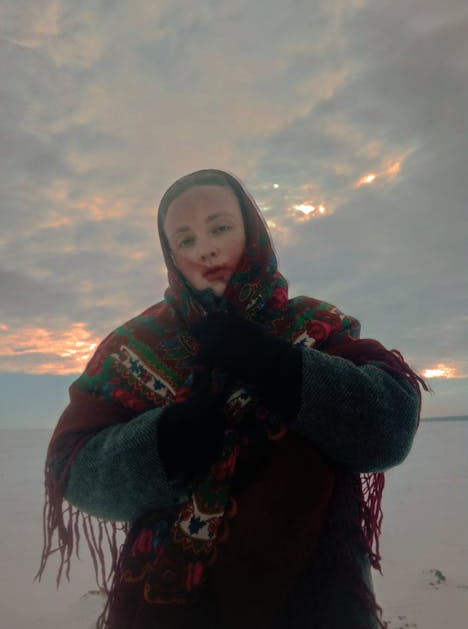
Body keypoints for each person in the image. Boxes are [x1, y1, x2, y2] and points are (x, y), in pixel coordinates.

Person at [37, 169, 428, 629]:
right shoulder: (133, 347)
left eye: (220, 227)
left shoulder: (316, 325)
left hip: (317, 604)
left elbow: (390, 428)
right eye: (185, 239)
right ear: (170, 255)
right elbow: (70, 466)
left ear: (252, 231)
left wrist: (279, 366)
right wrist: (164, 444)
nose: (205, 248)